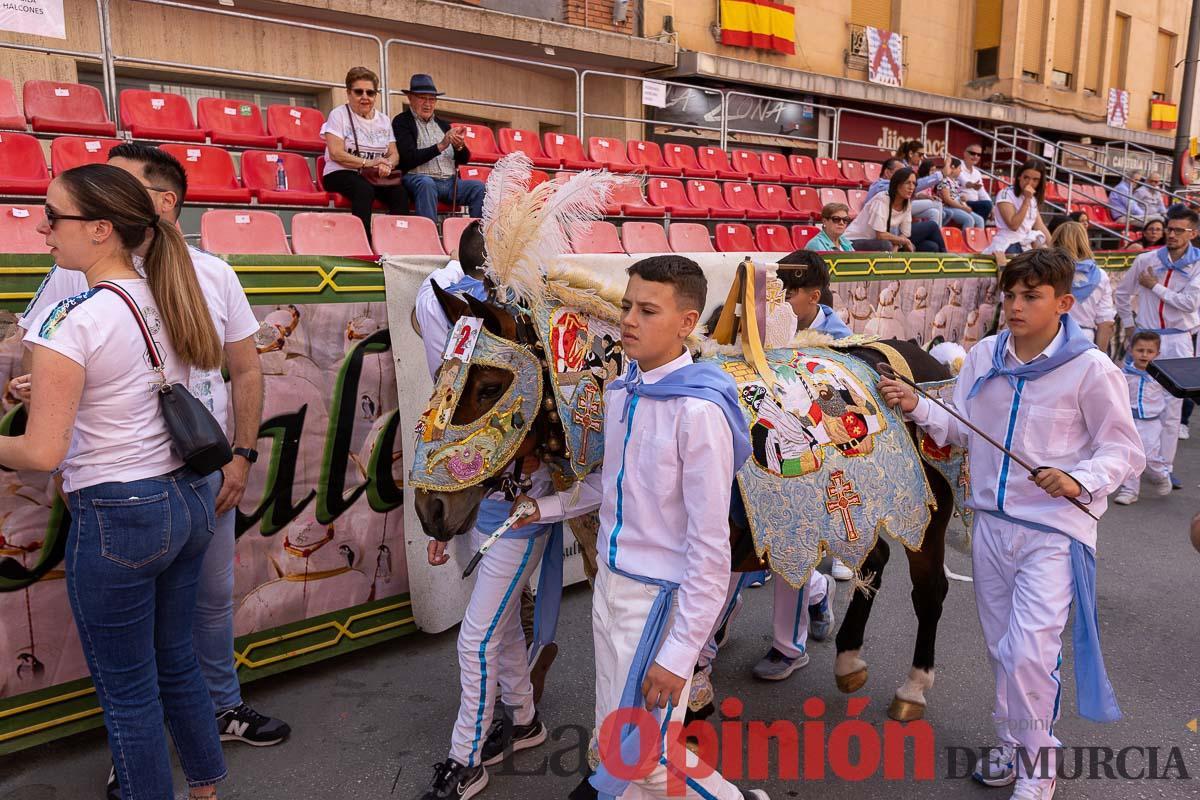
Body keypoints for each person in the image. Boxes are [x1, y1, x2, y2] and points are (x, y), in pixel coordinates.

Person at [15, 143, 287, 799]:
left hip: (119, 513)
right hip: (188, 499)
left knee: (129, 692)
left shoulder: (74, 316)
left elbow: (42, 455)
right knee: (178, 665)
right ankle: (205, 788)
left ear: (100, 228)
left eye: (53, 216)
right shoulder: (173, 293)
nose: (40, 227)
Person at [879, 248, 1143, 800]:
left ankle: (1037, 767)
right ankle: (1013, 739)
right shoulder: (983, 356)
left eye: (1031, 296)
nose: (1016, 306)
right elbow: (957, 423)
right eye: (1011, 294)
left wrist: (1078, 479)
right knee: (1004, 648)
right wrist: (915, 404)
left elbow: (1123, 451)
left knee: (1030, 652)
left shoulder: (1091, 369)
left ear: (1064, 303)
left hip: (1054, 531)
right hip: (990, 529)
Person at [515, 255, 770, 800]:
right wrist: (548, 509)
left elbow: (710, 549)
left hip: (657, 603)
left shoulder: (697, 412)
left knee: (643, 760)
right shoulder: (622, 391)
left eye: (648, 309)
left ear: (686, 322)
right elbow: (615, 489)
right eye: (628, 304)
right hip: (610, 587)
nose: (629, 319)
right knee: (618, 745)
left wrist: (679, 655)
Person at [411, 220, 562, 800]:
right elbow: (447, 419)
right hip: (484, 504)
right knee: (496, 630)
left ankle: (465, 759)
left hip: (523, 507)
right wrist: (444, 513)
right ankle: (522, 720)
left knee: (475, 637)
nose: (483, 291)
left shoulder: (543, 335)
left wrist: (541, 503)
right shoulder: (467, 334)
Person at [1115, 207, 1200, 491]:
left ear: (1194, 233)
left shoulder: (1199, 264)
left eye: (1179, 230)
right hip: (1147, 338)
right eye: (1170, 228)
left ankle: (1164, 467)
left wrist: (1154, 286)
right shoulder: (1146, 259)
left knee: (1171, 409)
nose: (1172, 234)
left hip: (1178, 339)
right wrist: (1129, 325)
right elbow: (1123, 293)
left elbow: (1189, 304)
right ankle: (1133, 469)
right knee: (1134, 405)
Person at [320, 66, 407, 241]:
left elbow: (394, 154)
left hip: (373, 175)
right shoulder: (338, 115)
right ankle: (362, 242)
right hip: (340, 172)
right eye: (359, 92)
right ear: (348, 93)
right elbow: (336, 153)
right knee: (363, 190)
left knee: (400, 193)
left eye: (370, 93)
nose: (365, 97)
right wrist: (370, 163)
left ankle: (397, 243)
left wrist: (386, 164)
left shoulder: (383, 120)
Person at [393, 73, 485, 223]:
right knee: (426, 184)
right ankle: (429, 240)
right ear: (410, 98)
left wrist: (459, 146)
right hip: (417, 178)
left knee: (479, 187)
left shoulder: (443, 125)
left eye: (432, 99)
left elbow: (465, 159)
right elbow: (407, 158)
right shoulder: (401, 122)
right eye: (422, 98)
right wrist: (441, 146)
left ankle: (477, 239)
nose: (428, 104)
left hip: (449, 182)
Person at [1114, 332, 1169, 505]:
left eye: (1149, 351)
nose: (1144, 354)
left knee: (1150, 456)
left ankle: (1161, 475)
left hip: (1151, 423)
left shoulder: (1161, 376)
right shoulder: (1123, 373)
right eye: (1140, 350)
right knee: (1130, 455)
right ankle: (1130, 490)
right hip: (1129, 422)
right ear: (1131, 350)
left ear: (1157, 354)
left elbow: (1169, 398)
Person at [846, 167, 946, 252]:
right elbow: (880, 235)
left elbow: (905, 233)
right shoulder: (882, 199)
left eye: (914, 184)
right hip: (855, 241)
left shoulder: (906, 202)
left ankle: (939, 269)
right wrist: (902, 241)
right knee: (886, 245)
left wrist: (898, 245)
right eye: (908, 183)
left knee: (931, 246)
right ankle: (949, 261)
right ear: (897, 184)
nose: (911, 187)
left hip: (886, 240)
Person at [1052, 221, 1114, 350]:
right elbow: (1105, 322)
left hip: (1049, 336)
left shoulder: (1045, 271)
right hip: (1084, 340)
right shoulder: (1100, 275)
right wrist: (1100, 356)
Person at [986, 159, 1051, 255]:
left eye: (1035, 180)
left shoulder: (1033, 199)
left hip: (1026, 242)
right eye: (1026, 178)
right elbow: (1013, 225)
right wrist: (1026, 200)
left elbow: (1039, 225)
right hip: (1008, 243)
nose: (1029, 183)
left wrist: (1055, 247)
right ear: (1019, 177)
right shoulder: (1006, 194)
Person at [936, 157, 985, 229]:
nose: (961, 170)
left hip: (958, 207)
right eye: (959, 168)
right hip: (948, 208)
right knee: (969, 220)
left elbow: (957, 197)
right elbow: (948, 200)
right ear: (953, 168)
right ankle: (966, 240)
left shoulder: (955, 182)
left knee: (980, 220)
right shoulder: (944, 181)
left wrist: (963, 198)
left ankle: (978, 240)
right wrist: (963, 207)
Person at [958, 144, 993, 221]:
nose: (976, 156)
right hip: (960, 201)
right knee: (985, 205)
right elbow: (964, 181)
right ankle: (976, 230)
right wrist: (972, 185)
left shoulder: (977, 172)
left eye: (979, 155)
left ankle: (976, 230)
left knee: (988, 204)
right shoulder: (958, 166)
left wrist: (992, 206)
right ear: (965, 153)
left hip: (974, 204)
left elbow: (982, 192)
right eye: (973, 153)